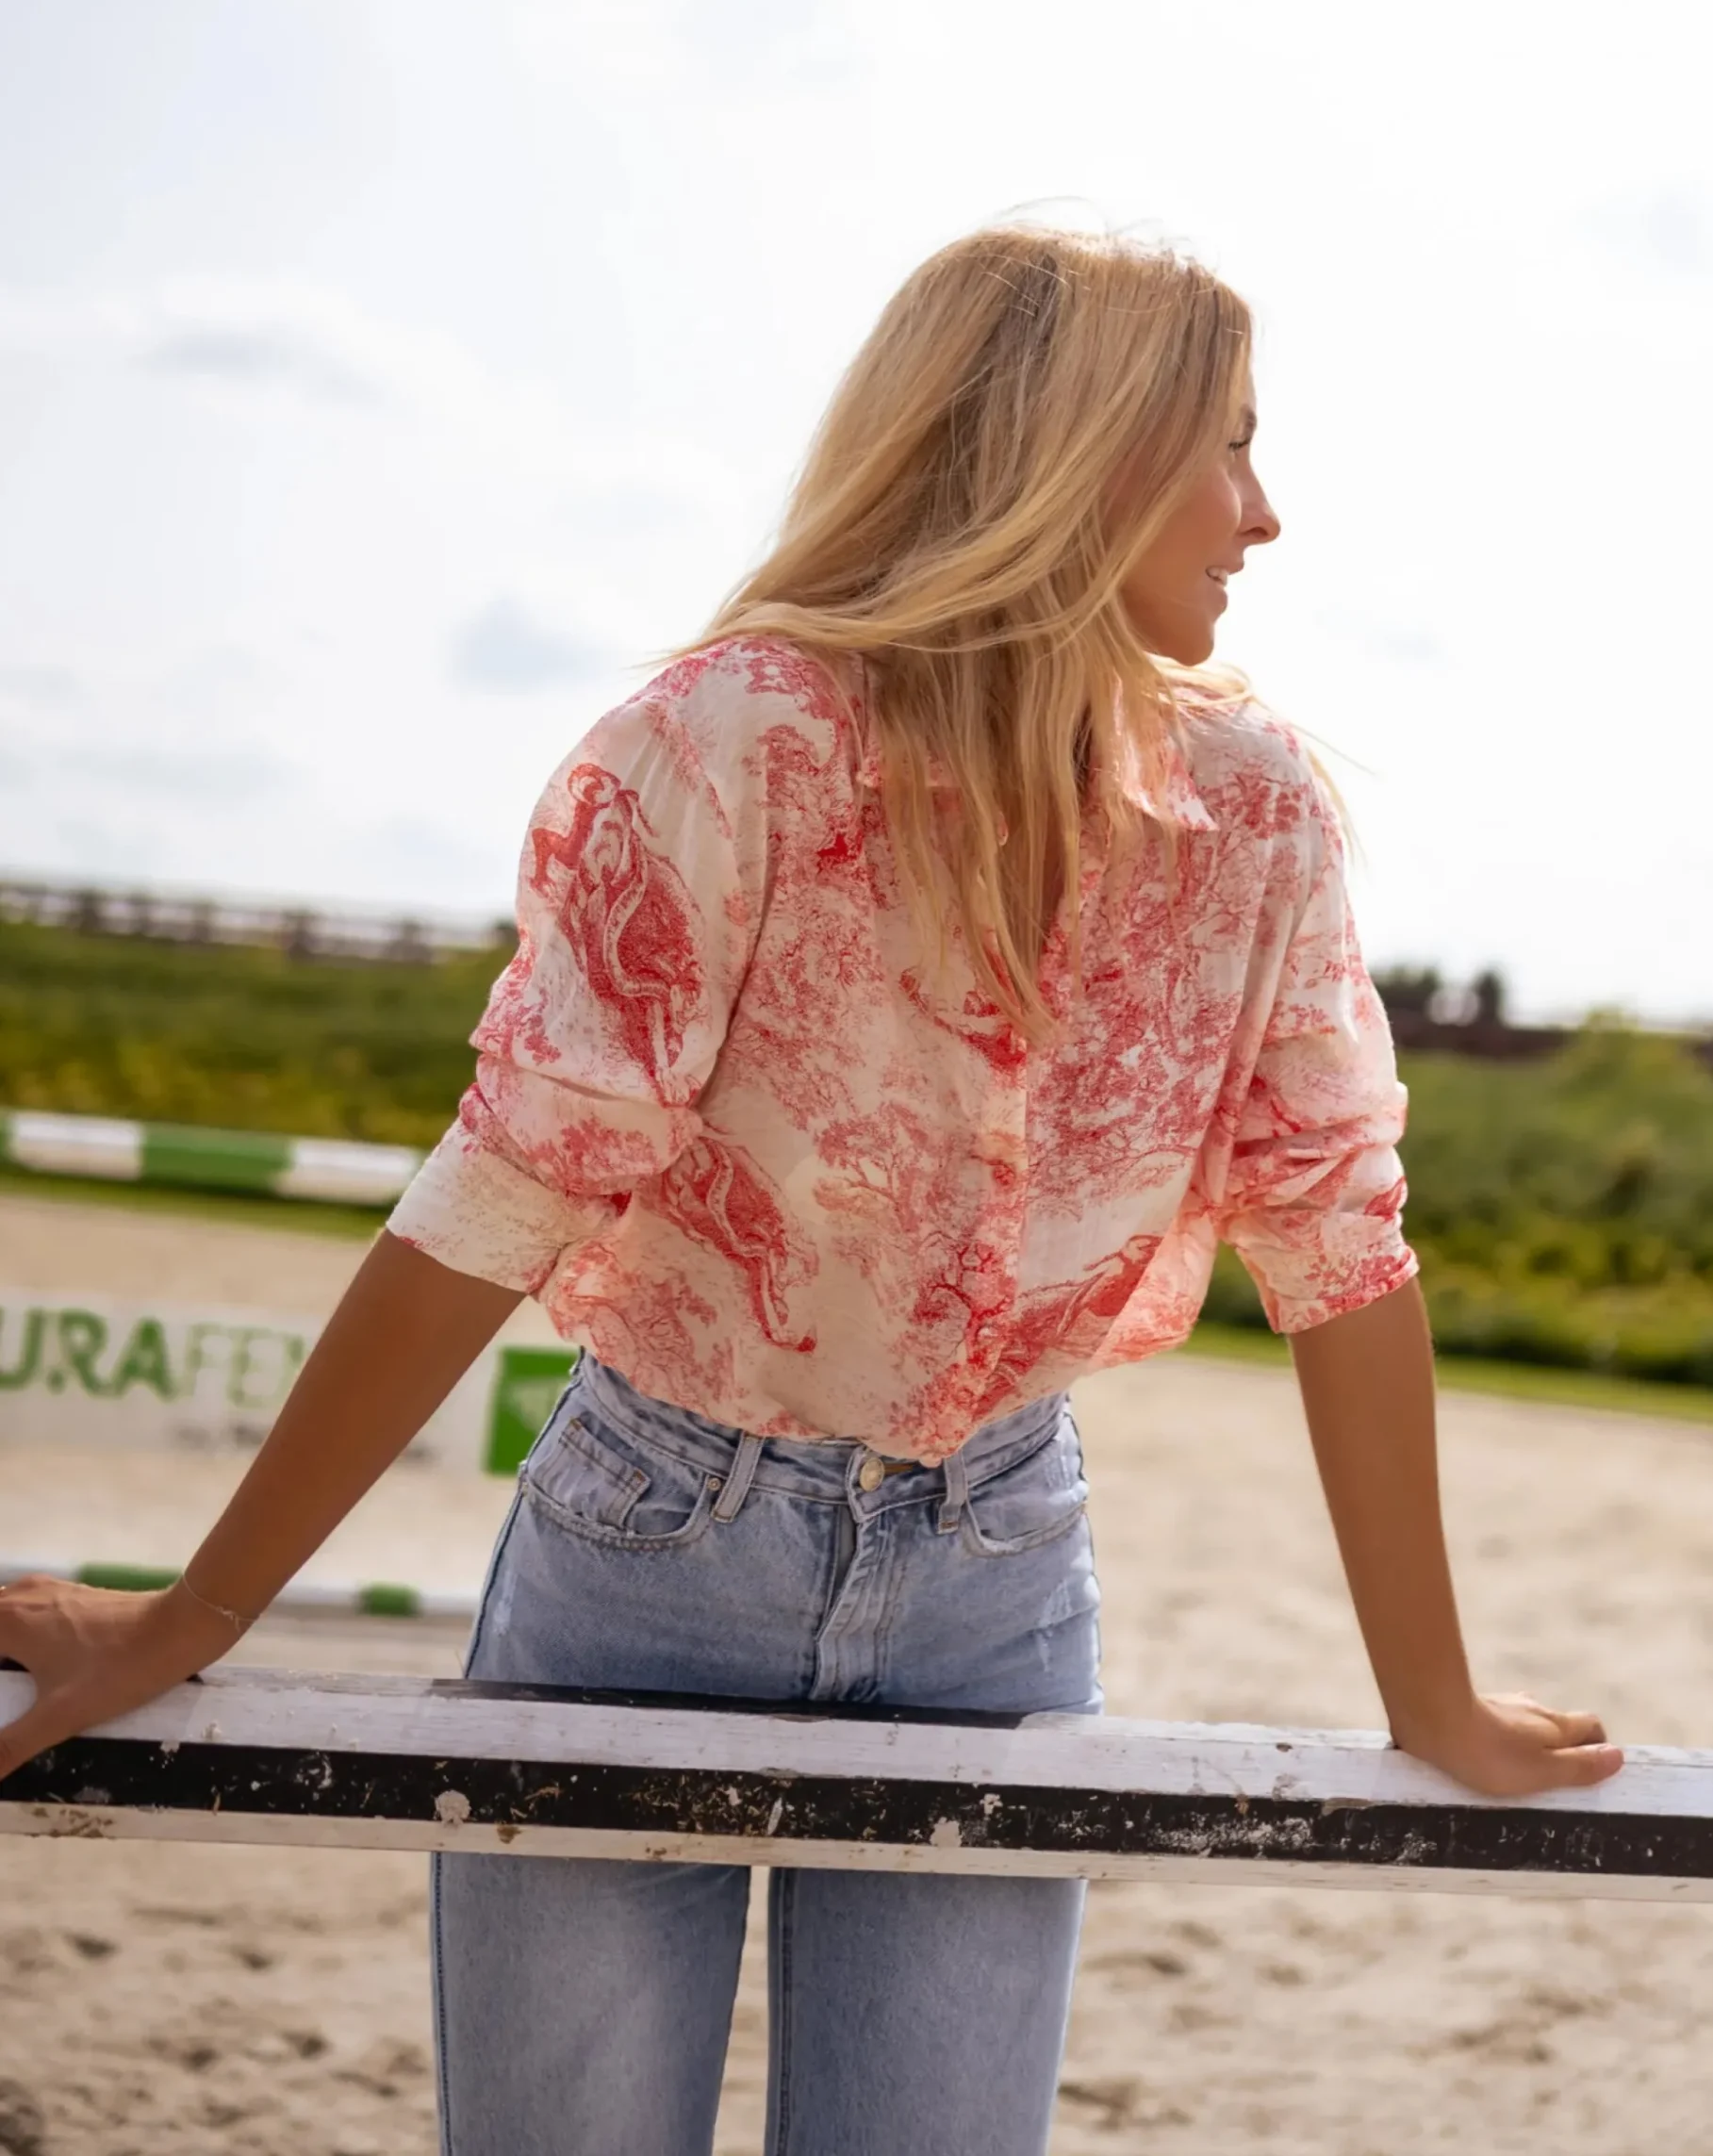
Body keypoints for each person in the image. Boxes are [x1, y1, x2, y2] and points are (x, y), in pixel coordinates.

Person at [0, 224, 1622, 2156]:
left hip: (1000, 1572)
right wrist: (193, 1613)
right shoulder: (731, 739)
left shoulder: (1256, 808)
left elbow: (1338, 1239)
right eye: (1228, 445)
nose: (1261, 515)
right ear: (1081, 450)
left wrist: (1429, 1692)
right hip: (647, 1550)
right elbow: (509, 1183)